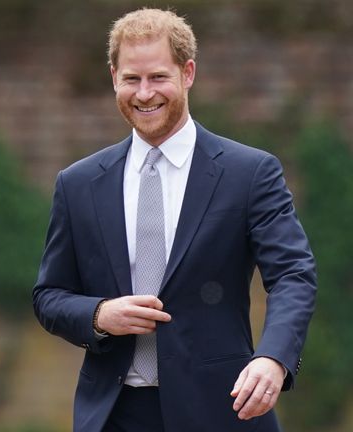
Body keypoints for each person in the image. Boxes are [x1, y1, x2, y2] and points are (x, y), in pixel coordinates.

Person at [32, 8, 316, 432]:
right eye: (131, 79)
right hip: (112, 415)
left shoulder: (250, 173)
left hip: (223, 409)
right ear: (114, 77)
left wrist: (273, 358)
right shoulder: (78, 183)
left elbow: (293, 274)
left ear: (188, 73)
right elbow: (49, 296)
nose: (144, 94)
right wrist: (98, 314)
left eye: (158, 77)